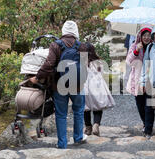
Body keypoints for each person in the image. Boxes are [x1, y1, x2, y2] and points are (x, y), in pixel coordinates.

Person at [30, 20, 88, 149]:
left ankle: (62, 143)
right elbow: (85, 67)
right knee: (78, 111)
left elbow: (48, 65)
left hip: (59, 86)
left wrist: (38, 78)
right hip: (77, 86)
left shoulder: (56, 45)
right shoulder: (82, 46)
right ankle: (78, 138)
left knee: (61, 114)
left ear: (63, 31)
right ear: (76, 31)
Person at [83, 43, 115, 136]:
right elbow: (103, 73)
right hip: (97, 86)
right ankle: (96, 124)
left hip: (85, 87)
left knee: (86, 109)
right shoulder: (99, 62)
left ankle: (88, 127)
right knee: (98, 107)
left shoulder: (81, 62)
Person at [126, 26, 152, 132]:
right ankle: (145, 123)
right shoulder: (134, 46)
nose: (146, 38)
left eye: (148, 35)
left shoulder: (153, 47)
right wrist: (136, 50)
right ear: (140, 36)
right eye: (144, 35)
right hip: (137, 80)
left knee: (149, 105)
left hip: (150, 79)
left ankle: (148, 128)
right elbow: (128, 62)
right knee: (140, 104)